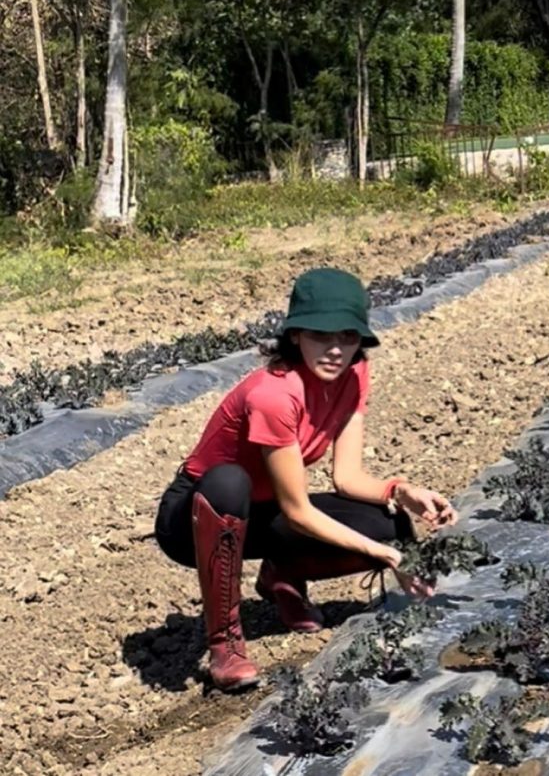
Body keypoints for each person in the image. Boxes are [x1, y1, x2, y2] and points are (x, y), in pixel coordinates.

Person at [154, 267, 457, 692]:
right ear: (296, 335)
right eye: (321, 335)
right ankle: (225, 642)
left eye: (348, 337)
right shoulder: (274, 394)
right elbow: (297, 511)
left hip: (267, 509)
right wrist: (385, 556)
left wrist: (401, 491)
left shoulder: (353, 374)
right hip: (195, 518)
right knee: (229, 482)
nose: (335, 350)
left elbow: (348, 479)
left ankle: (281, 575)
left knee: (391, 526)